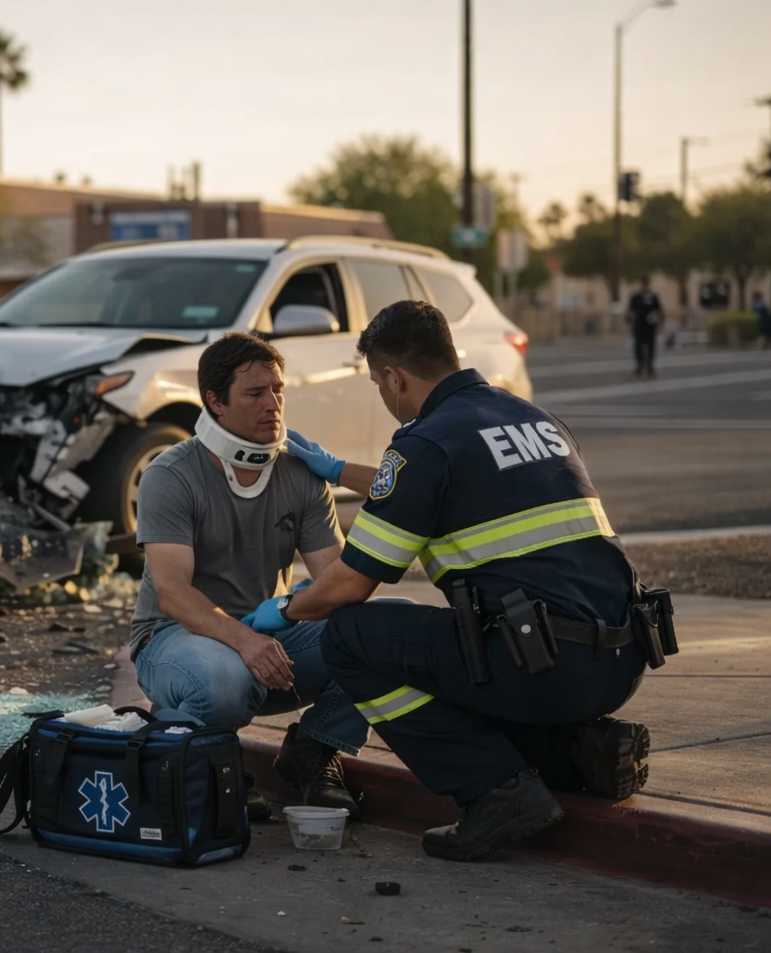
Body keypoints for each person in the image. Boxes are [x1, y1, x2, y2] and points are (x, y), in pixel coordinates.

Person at [263, 301, 655, 862]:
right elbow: (424, 490)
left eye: (377, 382)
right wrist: (337, 469)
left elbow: (349, 586)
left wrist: (284, 610)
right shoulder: (531, 418)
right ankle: (571, 753)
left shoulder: (423, 442)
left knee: (351, 636)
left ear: (395, 377)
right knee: (458, 650)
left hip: (542, 665)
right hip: (618, 660)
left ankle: (496, 792)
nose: (382, 393)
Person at [130, 332, 366, 814]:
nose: (273, 404)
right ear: (214, 402)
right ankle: (201, 749)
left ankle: (314, 750)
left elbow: (339, 582)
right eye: (255, 394)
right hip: (174, 639)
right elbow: (173, 594)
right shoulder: (169, 474)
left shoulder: (302, 474)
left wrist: (285, 613)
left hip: (267, 639)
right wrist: (245, 640)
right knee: (220, 680)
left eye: (278, 390)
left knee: (383, 631)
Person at [626, 276, 663, 377]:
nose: (645, 287)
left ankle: (650, 367)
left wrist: (660, 324)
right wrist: (629, 323)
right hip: (639, 325)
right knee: (638, 346)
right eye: (643, 284)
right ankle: (639, 366)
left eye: (646, 284)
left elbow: (659, 311)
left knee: (651, 347)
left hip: (650, 326)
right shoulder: (636, 297)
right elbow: (630, 310)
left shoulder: (654, 297)